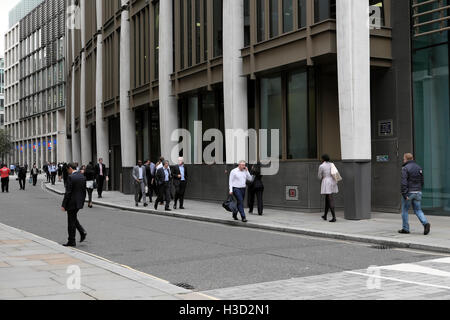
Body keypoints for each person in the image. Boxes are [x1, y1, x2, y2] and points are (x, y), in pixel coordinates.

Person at [399, 153, 431, 235]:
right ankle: (425, 223)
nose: (403, 160)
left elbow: (404, 182)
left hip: (409, 193)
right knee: (418, 210)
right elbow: (422, 180)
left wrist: (404, 194)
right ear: (412, 158)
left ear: (406, 159)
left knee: (405, 210)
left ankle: (405, 229)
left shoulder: (405, 168)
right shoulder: (418, 167)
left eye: (403, 159)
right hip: (418, 192)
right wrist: (419, 189)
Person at [61, 163, 87, 247]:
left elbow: (68, 192)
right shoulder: (82, 176)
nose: (67, 172)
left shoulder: (70, 177)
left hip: (71, 203)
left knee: (70, 222)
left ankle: (71, 240)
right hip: (79, 202)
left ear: (70, 168)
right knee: (73, 218)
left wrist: (64, 204)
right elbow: (83, 191)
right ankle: (82, 232)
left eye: (67, 170)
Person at [318, 154, 338, 223]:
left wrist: (322, 177)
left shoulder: (321, 166)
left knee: (330, 199)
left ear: (323, 159)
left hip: (326, 181)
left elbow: (319, 176)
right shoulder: (332, 164)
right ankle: (325, 215)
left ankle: (334, 217)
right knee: (327, 199)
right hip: (332, 181)